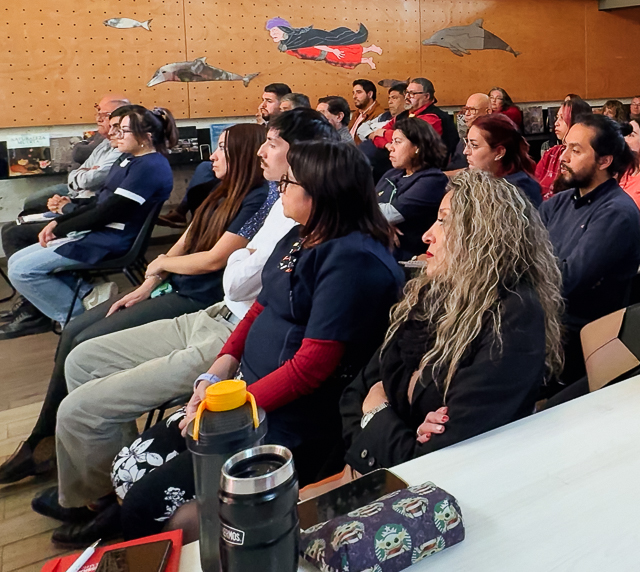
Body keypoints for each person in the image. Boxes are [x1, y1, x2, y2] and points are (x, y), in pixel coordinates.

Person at [31, 111, 338, 540]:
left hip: (225, 325)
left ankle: (103, 502)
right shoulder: (267, 195)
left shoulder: (295, 210)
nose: (260, 151)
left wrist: (200, 267)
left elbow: (235, 275)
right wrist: (156, 273)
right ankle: (105, 489)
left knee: (79, 406)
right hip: (214, 313)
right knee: (81, 357)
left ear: (302, 154)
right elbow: (223, 262)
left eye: (270, 142)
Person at [106, 141, 403, 539]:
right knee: (129, 463)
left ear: (321, 191)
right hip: (245, 393)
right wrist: (215, 374)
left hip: (289, 419)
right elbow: (262, 307)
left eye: (288, 181)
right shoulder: (301, 235)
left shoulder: (352, 261)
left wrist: (229, 412)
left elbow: (311, 368)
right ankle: (121, 527)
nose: (279, 188)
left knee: (148, 503)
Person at [0, 124, 267, 491]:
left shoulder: (255, 200)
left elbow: (211, 261)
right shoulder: (217, 190)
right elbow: (184, 240)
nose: (212, 155)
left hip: (197, 296)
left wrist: (160, 267)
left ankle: (53, 445)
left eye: (222, 148)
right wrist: (148, 282)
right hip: (176, 286)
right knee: (75, 338)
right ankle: (73, 446)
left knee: (78, 340)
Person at [342, 170, 564, 471]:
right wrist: (392, 434)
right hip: (377, 473)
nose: (427, 235)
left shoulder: (513, 315)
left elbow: (434, 462)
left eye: (443, 220)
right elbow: (355, 393)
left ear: (481, 233)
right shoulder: (429, 294)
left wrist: (377, 411)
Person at [5, 107, 177, 334]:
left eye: (123, 130)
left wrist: (61, 227)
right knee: (16, 261)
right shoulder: (129, 158)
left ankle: (78, 320)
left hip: (111, 239)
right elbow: (99, 203)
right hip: (99, 232)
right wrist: (60, 222)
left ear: (147, 137)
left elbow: (108, 212)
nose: (115, 135)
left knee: (21, 272)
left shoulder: (150, 167)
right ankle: (88, 297)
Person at [539, 115, 640, 381]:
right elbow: (526, 255)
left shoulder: (616, 212)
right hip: (545, 318)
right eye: (565, 147)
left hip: (582, 334)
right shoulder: (558, 203)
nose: (564, 157)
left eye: (576, 150)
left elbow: (569, 279)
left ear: (604, 161)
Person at [2, 96, 128, 262]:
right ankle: (38, 270)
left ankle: (74, 284)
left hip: (87, 209)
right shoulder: (105, 142)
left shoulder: (124, 151)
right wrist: (82, 177)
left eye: (105, 115)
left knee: (13, 233)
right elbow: (78, 171)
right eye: (98, 112)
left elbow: (91, 182)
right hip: (79, 199)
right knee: (16, 223)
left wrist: (66, 207)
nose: (98, 118)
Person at [375, 117, 449, 262]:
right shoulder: (392, 174)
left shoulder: (432, 179)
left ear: (417, 147)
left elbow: (388, 213)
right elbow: (367, 207)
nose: (390, 147)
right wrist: (380, 225)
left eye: (398, 142)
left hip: (409, 259)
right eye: (392, 142)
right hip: (382, 250)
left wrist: (377, 221)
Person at [463, 114, 542, 206]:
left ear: (499, 152)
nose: (465, 151)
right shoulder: (485, 181)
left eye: (474, 145)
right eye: (467, 143)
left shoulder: (517, 190)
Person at [534, 96, 591, 200]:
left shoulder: (585, 156)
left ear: (576, 121)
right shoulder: (551, 153)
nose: (556, 123)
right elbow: (534, 184)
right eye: (557, 118)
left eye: (562, 118)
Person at [404, 77, 459, 162]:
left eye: (412, 93)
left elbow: (408, 140)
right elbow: (377, 134)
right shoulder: (405, 114)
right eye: (406, 92)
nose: (407, 97)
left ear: (426, 96)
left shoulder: (434, 117)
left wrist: (388, 136)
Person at [448, 93, 491, 173]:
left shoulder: (493, 135)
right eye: (466, 109)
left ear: (488, 112)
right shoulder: (468, 133)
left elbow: (477, 171)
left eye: (472, 110)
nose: (466, 114)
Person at [349, 79, 383, 143]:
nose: (354, 96)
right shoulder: (357, 113)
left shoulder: (379, 115)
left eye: (359, 92)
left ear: (370, 94)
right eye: (353, 93)